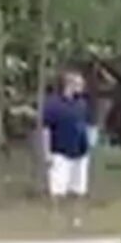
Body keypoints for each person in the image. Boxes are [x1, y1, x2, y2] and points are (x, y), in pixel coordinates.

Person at [40, 70, 93, 213]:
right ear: (69, 85)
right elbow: (46, 131)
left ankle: (76, 219)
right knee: (58, 191)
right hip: (60, 153)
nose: (82, 86)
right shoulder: (52, 105)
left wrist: (90, 145)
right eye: (79, 84)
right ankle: (56, 220)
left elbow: (86, 125)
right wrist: (47, 154)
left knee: (79, 191)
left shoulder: (82, 103)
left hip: (81, 153)